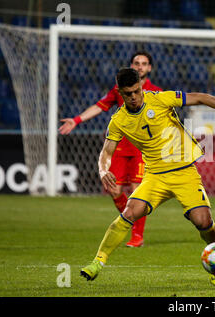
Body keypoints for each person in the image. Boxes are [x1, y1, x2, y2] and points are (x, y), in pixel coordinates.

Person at [80, 67, 215, 281]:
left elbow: (199, 97)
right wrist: (103, 169)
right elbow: (107, 151)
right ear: (120, 92)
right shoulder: (119, 120)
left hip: (184, 173)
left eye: (136, 91)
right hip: (155, 177)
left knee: (203, 221)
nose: (133, 97)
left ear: (141, 87)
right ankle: (98, 261)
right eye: (128, 94)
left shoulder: (160, 99)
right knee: (130, 212)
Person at [59, 51, 162, 247]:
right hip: (119, 148)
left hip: (143, 150)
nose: (140, 66)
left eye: (144, 63)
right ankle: (130, 221)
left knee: (137, 191)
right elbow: (99, 106)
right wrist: (76, 120)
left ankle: (137, 236)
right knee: (113, 189)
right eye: (136, 63)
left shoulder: (156, 92)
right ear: (131, 66)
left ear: (149, 68)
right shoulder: (119, 90)